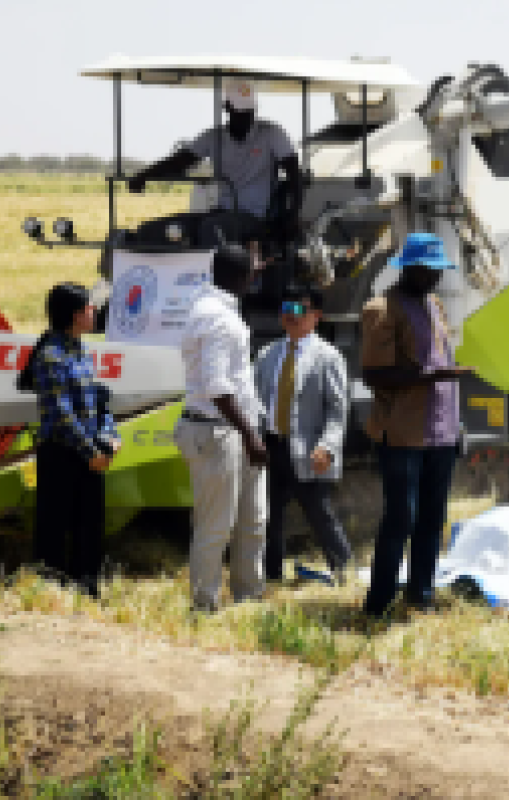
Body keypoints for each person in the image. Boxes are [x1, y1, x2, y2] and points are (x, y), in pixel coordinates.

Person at [359, 233, 473, 616]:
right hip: (403, 434)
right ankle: (379, 603)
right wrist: (432, 376)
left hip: (440, 433)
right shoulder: (382, 309)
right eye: (427, 270)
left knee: (432, 518)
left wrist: (456, 425)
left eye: (438, 270)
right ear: (407, 267)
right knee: (400, 518)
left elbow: (441, 364)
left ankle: (421, 595)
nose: (434, 277)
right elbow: (374, 375)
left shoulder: (434, 305)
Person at [175, 244, 269, 613]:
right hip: (219, 432)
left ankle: (249, 597)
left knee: (254, 518)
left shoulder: (214, 306)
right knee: (216, 526)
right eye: (251, 273)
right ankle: (204, 605)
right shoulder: (218, 318)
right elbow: (217, 388)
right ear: (241, 278)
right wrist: (250, 435)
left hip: (231, 429)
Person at [17, 282, 121, 599]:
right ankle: (53, 591)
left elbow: (98, 402)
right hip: (62, 453)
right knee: (56, 523)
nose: (94, 312)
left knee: (89, 524)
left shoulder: (81, 349)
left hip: (88, 451)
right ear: (76, 315)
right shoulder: (51, 355)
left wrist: (110, 437)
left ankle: (86, 586)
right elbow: (62, 414)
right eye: (90, 307)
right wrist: (91, 451)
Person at [127, 79, 302, 249]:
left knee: (211, 229)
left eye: (248, 112)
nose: (245, 117)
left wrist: (293, 216)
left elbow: (295, 174)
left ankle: (213, 277)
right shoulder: (213, 137)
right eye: (239, 112)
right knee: (164, 229)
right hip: (221, 211)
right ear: (227, 109)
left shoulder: (272, 133)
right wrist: (144, 175)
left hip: (255, 216)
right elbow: (179, 162)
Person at [254, 286, 352, 585]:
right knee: (267, 515)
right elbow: (255, 400)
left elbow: (337, 410)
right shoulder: (267, 354)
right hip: (271, 446)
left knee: (319, 513)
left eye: (299, 310)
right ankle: (271, 576)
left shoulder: (328, 357)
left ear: (316, 316)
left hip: (308, 450)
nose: (290, 316)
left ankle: (343, 569)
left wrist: (327, 446)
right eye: (286, 308)